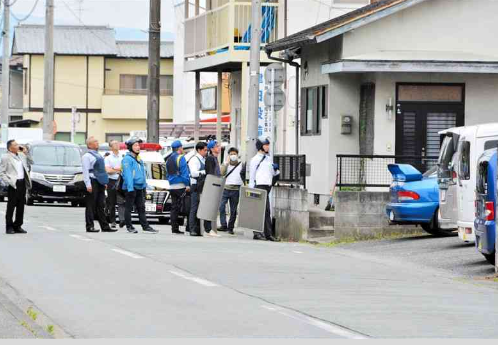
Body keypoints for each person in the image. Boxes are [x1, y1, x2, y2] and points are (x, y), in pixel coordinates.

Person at [121, 137, 158, 234]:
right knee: (129, 208)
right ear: (130, 147)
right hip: (131, 187)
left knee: (141, 207)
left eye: (139, 145)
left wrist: (145, 186)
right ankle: (129, 226)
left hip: (140, 187)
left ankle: (145, 227)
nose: (138, 147)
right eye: (135, 145)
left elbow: (142, 174)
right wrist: (130, 188)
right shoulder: (127, 159)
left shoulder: (139, 159)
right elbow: (128, 174)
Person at [248, 137, 280, 242]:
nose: (268, 147)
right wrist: (251, 189)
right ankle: (258, 233)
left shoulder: (268, 159)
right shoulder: (255, 160)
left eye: (268, 145)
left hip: (267, 186)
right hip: (258, 186)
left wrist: (276, 170)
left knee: (266, 210)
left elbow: (273, 173)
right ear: (260, 146)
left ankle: (267, 233)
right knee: (259, 210)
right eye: (266, 145)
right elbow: (252, 176)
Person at [0, 140, 33, 234]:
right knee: (11, 206)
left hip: (22, 183)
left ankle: (17, 225)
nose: (18, 146)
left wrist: (26, 153)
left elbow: (31, 162)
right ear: (10, 147)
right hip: (14, 184)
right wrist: (9, 182)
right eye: (15, 145)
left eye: (18, 144)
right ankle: (9, 227)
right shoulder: (5, 157)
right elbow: (1, 173)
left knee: (21, 206)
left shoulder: (21, 155)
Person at [82, 137, 114, 233]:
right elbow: (85, 171)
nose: (97, 143)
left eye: (97, 141)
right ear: (90, 145)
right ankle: (90, 226)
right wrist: (88, 184)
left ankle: (105, 226)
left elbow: (102, 170)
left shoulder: (98, 155)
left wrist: (104, 182)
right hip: (92, 181)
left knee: (101, 205)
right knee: (91, 205)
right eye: (95, 142)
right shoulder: (86, 156)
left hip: (100, 182)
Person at [165, 140, 190, 234]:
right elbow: (185, 173)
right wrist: (187, 184)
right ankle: (188, 227)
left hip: (172, 186)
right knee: (187, 206)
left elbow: (167, 173)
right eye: (182, 147)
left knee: (174, 208)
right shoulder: (181, 158)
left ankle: (174, 228)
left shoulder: (169, 159)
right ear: (179, 148)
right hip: (181, 185)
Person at [219, 147, 245, 235]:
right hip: (225, 188)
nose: (233, 155)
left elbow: (244, 175)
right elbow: (221, 173)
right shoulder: (226, 164)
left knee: (233, 210)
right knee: (221, 207)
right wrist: (226, 163)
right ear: (228, 155)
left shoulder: (241, 164)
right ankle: (223, 225)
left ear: (237, 155)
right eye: (231, 154)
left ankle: (230, 228)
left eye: (234, 154)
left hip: (236, 190)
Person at [188, 142, 208, 236]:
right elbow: (193, 173)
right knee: (194, 208)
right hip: (195, 186)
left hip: (202, 186)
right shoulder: (194, 160)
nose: (206, 152)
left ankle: (198, 229)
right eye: (204, 150)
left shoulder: (203, 159)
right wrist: (205, 172)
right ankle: (192, 229)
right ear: (199, 150)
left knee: (200, 208)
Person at [203, 140, 222, 237]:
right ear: (211, 149)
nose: (219, 147)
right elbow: (210, 174)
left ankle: (209, 229)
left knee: (212, 208)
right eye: (217, 146)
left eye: (219, 145)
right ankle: (208, 229)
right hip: (211, 185)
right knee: (209, 208)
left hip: (215, 185)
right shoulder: (210, 159)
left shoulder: (215, 158)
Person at [104, 140, 125, 229]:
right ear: (111, 147)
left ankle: (122, 220)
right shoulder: (108, 158)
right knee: (111, 202)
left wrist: (114, 169)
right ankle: (113, 221)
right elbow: (108, 171)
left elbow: (125, 168)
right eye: (114, 144)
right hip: (111, 181)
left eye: (118, 143)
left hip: (121, 180)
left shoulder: (123, 157)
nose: (117, 145)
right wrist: (119, 169)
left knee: (121, 201)